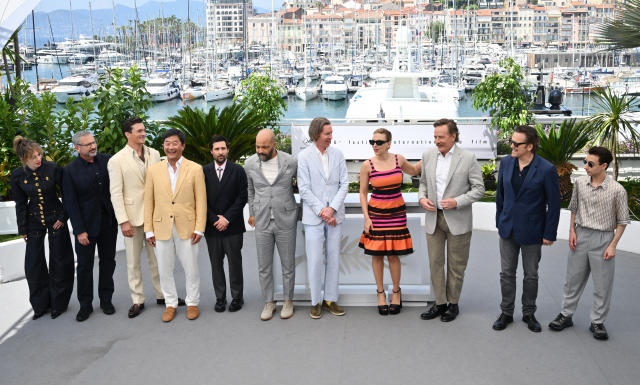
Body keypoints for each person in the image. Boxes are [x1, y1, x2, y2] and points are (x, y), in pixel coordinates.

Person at [548, 147, 629, 340]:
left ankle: (598, 322)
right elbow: (574, 207)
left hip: (604, 239)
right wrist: (572, 231)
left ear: (603, 166)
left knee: (602, 284)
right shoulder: (579, 183)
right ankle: (566, 315)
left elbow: (622, 221)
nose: (585, 166)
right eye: (585, 162)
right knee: (572, 279)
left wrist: (613, 245)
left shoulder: (617, 190)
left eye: (590, 164)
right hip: (581, 235)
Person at [108, 117, 184, 319]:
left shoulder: (155, 153)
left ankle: (163, 295)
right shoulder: (116, 160)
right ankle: (137, 299)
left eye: (144, 130)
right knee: (133, 262)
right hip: (132, 219)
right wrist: (123, 221)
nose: (143, 133)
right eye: (139, 131)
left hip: (156, 216)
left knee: (160, 259)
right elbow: (115, 193)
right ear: (128, 134)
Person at [493, 125, 561, 333]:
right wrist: (500, 221)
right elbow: (500, 196)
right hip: (507, 229)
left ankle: (529, 313)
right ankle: (506, 312)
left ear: (530, 146)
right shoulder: (506, 163)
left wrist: (549, 233)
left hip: (533, 230)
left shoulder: (547, 169)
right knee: (506, 273)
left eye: (516, 143)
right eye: (511, 141)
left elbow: (554, 204)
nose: (511, 146)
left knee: (531, 274)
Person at [418, 119, 485, 323]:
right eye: (435, 137)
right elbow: (422, 184)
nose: (437, 141)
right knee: (435, 263)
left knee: (456, 265)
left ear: (453, 136)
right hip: (433, 218)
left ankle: (453, 304)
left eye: (441, 137)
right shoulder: (428, 155)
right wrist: (422, 198)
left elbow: (479, 189)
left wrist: (457, 201)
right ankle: (440, 304)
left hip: (458, 220)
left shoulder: (468, 158)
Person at [144, 129, 207, 322]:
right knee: (164, 268)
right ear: (163, 146)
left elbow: (201, 201)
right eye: (167, 143)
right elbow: (149, 201)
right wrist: (148, 230)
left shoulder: (195, 169)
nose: (170, 147)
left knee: (191, 268)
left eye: (174, 143)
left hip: (188, 228)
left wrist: (199, 228)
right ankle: (170, 303)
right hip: (161, 226)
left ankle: (192, 303)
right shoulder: (153, 170)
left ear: (182, 145)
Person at [358, 128, 421, 315]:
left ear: (389, 143)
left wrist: (431, 156)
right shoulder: (367, 165)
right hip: (376, 215)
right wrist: (366, 218)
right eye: (372, 142)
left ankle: (396, 292)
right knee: (377, 255)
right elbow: (363, 193)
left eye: (379, 142)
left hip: (397, 214)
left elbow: (415, 170)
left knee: (393, 255)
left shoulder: (398, 160)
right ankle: (380, 293)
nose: (375, 146)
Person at [10, 136, 74, 320]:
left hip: (56, 218)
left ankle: (59, 304)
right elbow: (20, 204)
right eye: (33, 157)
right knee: (33, 264)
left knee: (60, 260)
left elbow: (68, 194)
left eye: (39, 154)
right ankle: (40, 305)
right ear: (24, 159)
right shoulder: (17, 175)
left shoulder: (53, 168)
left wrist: (63, 217)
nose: (38, 159)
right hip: (33, 221)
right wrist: (23, 228)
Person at [63, 131, 118, 322]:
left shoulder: (108, 161)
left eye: (94, 142)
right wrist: (79, 230)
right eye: (88, 145)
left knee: (108, 262)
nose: (93, 146)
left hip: (109, 223)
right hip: (86, 228)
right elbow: (71, 203)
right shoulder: (70, 170)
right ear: (77, 148)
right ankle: (85, 305)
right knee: (85, 267)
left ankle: (106, 300)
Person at [297, 117, 348, 319]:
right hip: (314, 217)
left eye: (331, 133)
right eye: (327, 133)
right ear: (317, 134)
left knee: (334, 258)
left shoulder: (338, 154)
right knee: (315, 260)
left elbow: (344, 184)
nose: (330, 137)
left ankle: (331, 299)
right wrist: (323, 211)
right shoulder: (304, 157)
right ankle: (315, 301)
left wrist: (332, 208)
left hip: (335, 216)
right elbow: (304, 188)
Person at [245, 129, 298, 321]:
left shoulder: (290, 161)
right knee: (264, 265)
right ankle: (269, 302)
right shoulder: (249, 163)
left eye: (264, 147)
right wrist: (252, 212)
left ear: (274, 144)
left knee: (288, 264)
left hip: (286, 218)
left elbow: (302, 185)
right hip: (262, 220)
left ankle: (288, 301)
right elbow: (250, 190)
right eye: (257, 146)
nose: (260, 150)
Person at [203, 135, 248, 313]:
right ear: (211, 151)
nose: (220, 152)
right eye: (217, 149)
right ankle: (220, 298)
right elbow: (201, 199)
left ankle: (237, 298)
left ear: (228, 150)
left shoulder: (238, 170)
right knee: (216, 264)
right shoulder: (204, 171)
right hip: (212, 227)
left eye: (223, 149)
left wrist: (226, 218)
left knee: (235, 264)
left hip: (233, 226)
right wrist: (214, 219)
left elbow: (242, 197)